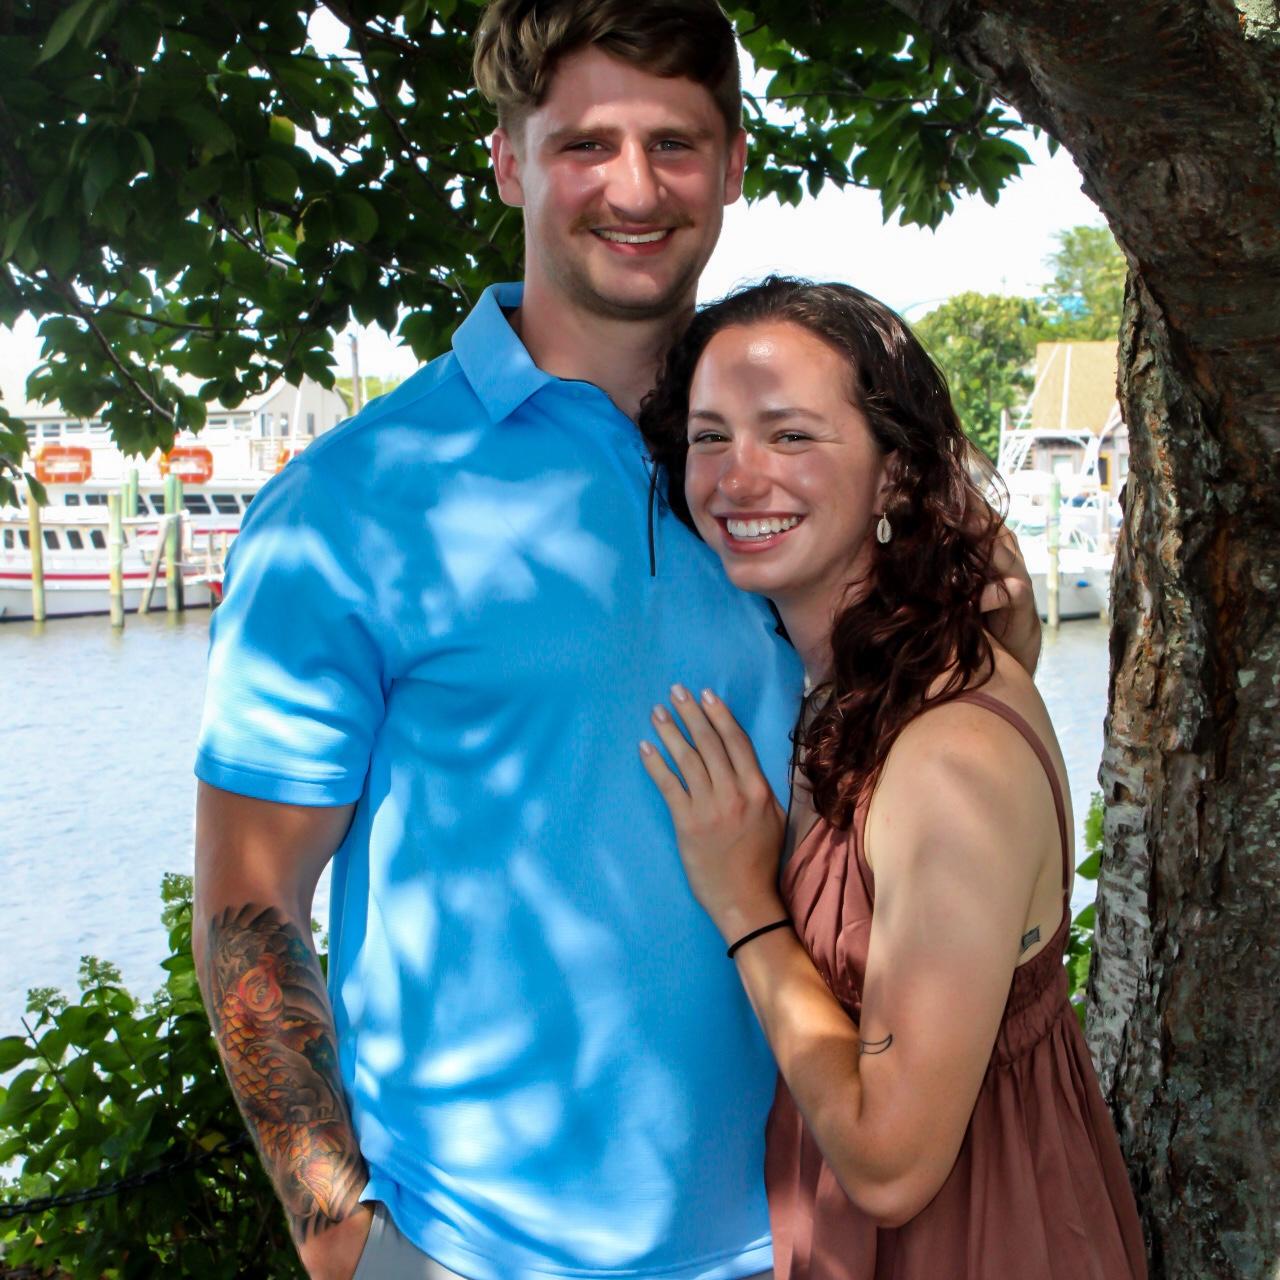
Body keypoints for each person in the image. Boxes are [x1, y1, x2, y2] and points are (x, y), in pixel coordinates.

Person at [192, 4, 1039, 1278]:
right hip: (473, 1250)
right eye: (585, 143)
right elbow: (249, 900)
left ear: (733, 163)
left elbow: (968, 692)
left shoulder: (802, 471)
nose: (634, 189)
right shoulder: (347, 508)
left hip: (810, 1234)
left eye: (674, 143)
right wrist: (345, 1245)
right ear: (508, 163)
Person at [636, 277, 1147, 1279]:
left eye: (790, 435)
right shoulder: (866, 684)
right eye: (708, 437)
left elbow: (888, 1165)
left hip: (973, 1240)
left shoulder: (946, 760)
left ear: (893, 474)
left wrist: (744, 903)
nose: (738, 475)